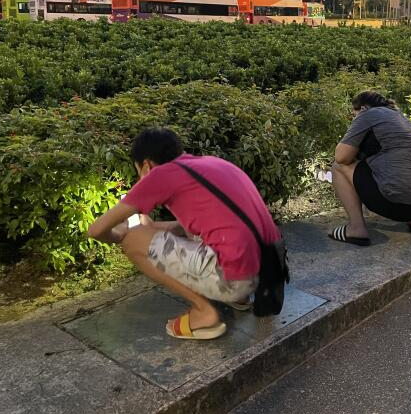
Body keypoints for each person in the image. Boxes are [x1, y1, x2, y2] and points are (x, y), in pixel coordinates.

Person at [87, 127, 280, 341]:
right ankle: (240, 299)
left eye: (138, 171)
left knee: (133, 240)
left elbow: (95, 230)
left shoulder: (159, 175)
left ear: (146, 165)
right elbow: (200, 226)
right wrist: (151, 230)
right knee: (166, 234)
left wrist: (123, 234)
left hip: (234, 280)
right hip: (266, 272)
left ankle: (204, 312)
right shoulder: (211, 164)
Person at [329, 91, 411, 245]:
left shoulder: (367, 114)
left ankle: (356, 228)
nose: (354, 119)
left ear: (362, 108)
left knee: (338, 167)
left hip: (396, 204)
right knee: (399, 166)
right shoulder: (403, 119)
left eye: (353, 115)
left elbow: (341, 157)